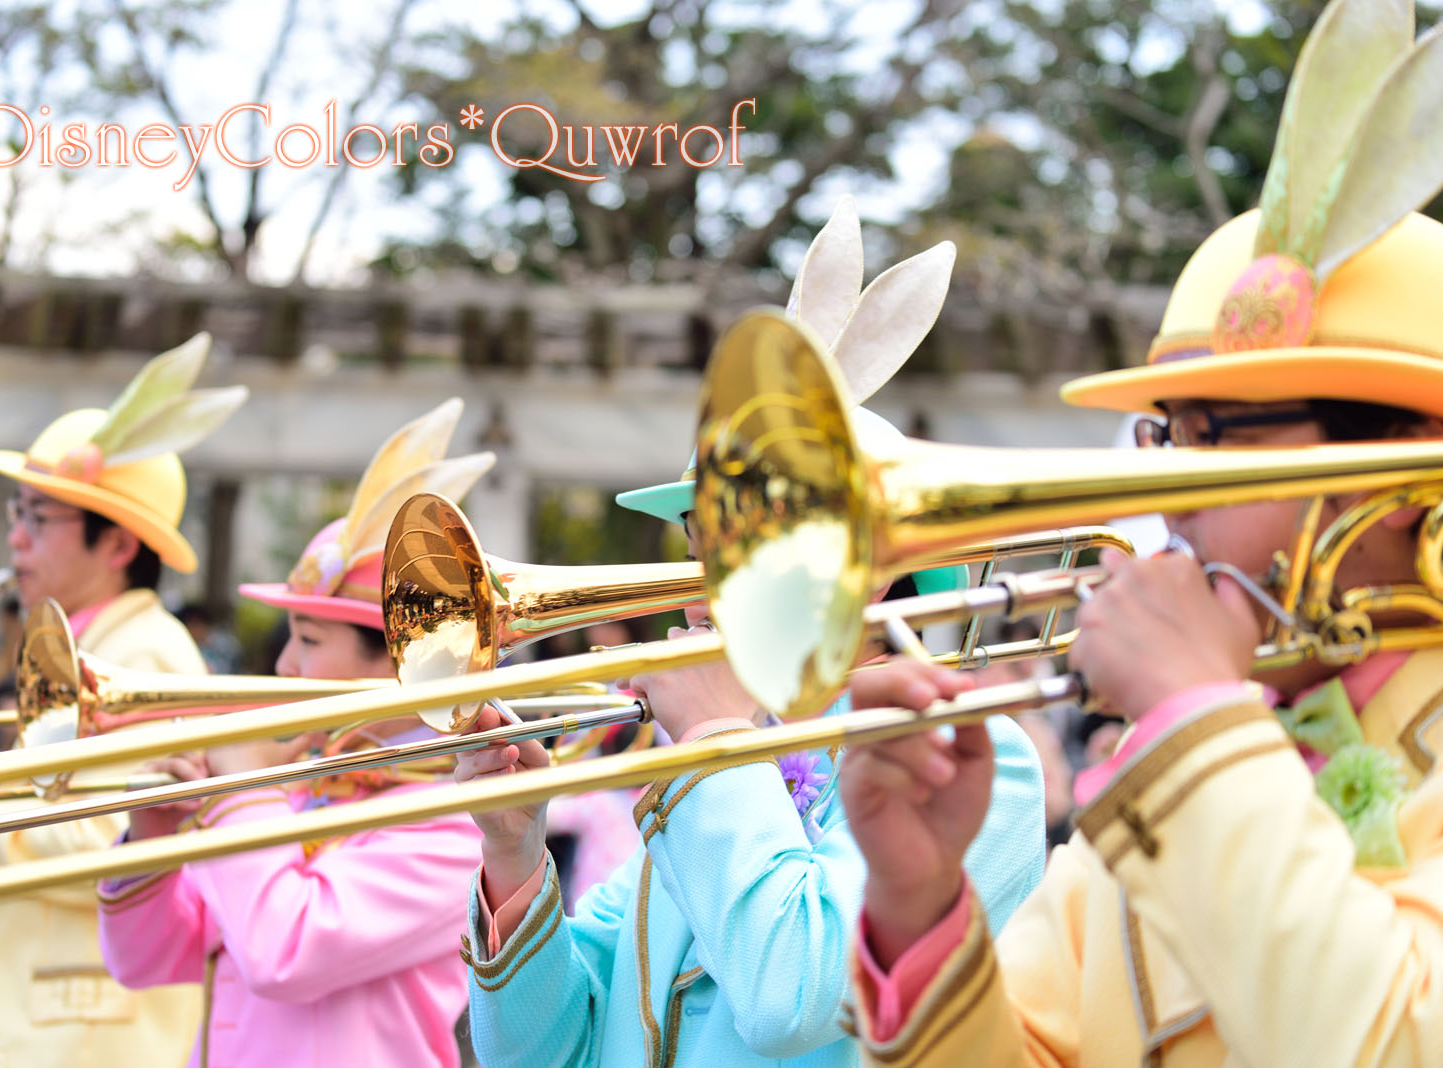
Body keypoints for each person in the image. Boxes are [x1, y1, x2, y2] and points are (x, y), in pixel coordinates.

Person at [845, 3, 1443, 1062]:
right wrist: (918, 902)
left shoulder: (1186, 740)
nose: (1170, 492)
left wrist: (1198, 716)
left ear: (1401, 468)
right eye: (1166, 435)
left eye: (1226, 438)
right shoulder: (1176, 752)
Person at [456, 216, 1047, 1067]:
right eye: (706, 534)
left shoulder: (975, 754)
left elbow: (795, 999)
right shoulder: (736, 756)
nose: (709, 569)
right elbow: (550, 1051)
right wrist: (514, 854)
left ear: (873, 566)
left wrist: (715, 743)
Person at [97, 398, 494, 1068]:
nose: (282, 666)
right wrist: (151, 837)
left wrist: (237, 797)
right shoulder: (310, 787)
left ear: (405, 662)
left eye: (307, 639)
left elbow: (285, 953)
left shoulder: (457, 827)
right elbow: (148, 961)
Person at [0, 335, 246, 1068]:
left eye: (39, 517)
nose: (14, 538)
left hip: (80, 1035)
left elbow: (105, 845)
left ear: (120, 546)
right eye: (19, 511)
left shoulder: (147, 655)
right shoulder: (88, 645)